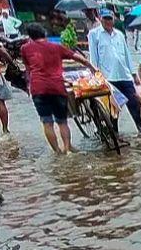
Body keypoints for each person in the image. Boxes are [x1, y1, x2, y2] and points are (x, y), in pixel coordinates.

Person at [18, 22, 96, 154]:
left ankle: (58, 152)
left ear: (30, 36)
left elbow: (28, 69)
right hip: (57, 87)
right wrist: (92, 68)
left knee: (47, 122)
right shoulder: (56, 47)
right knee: (62, 121)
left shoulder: (25, 48)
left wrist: (27, 85)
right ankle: (68, 148)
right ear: (44, 34)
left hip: (38, 88)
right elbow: (78, 58)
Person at [89, 8, 141, 134]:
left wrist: (133, 74)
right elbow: (93, 58)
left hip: (124, 75)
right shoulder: (94, 35)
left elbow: (126, 55)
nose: (108, 22)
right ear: (100, 18)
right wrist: (96, 75)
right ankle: (114, 133)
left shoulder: (119, 35)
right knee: (113, 109)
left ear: (114, 19)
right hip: (108, 78)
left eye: (110, 19)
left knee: (135, 105)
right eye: (105, 19)